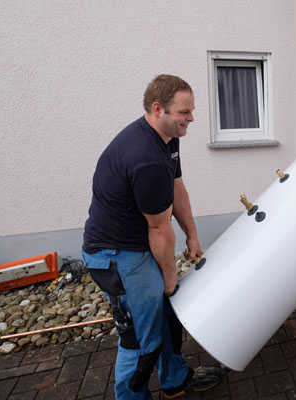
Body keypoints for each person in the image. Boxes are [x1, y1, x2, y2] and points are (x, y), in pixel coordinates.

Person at [82, 74, 222, 399]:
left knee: (166, 314)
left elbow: (177, 188)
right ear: (158, 109)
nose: (191, 119)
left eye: (192, 111)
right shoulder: (145, 158)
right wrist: (170, 278)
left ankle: (174, 379)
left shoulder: (167, 138)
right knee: (141, 339)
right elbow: (158, 228)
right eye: (184, 112)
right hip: (116, 256)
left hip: (137, 246)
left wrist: (192, 235)